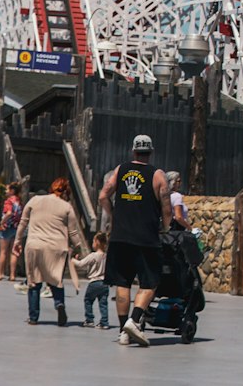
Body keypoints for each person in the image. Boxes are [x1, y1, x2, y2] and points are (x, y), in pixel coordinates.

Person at [99, 132, 171, 346]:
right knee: (150, 283)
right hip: (146, 238)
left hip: (120, 236)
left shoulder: (120, 170)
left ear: (133, 150)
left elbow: (103, 195)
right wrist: (165, 229)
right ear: (151, 152)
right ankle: (135, 319)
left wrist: (113, 215)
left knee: (122, 283)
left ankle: (123, 332)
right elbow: (166, 207)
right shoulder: (158, 175)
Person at [13, 177, 83, 326]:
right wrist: (78, 248)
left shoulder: (34, 200)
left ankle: (33, 317)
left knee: (34, 282)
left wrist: (17, 241)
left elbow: (23, 223)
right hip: (57, 248)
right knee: (56, 280)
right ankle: (59, 304)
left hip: (35, 246)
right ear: (66, 192)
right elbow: (73, 233)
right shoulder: (66, 207)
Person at [72, 232, 110, 328]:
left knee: (88, 300)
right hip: (104, 283)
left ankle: (89, 320)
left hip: (94, 282)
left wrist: (72, 260)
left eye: (93, 241)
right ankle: (104, 322)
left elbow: (81, 264)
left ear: (97, 242)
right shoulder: (106, 256)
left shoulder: (93, 255)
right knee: (103, 303)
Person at [0, 182, 23, 282]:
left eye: (7, 190)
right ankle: (12, 275)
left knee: (3, 252)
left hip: (7, 227)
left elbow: (9, 213)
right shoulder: (19, 201)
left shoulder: (9, 201)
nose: (5, 191)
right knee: (13, 252)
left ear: (12, 191)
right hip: (16, 228)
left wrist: (2, 222)